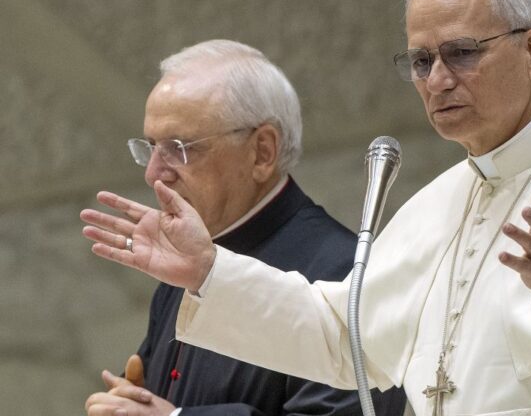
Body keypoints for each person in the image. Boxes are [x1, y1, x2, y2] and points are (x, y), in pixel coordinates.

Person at [82, 0, 531, 416]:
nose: (437, 80)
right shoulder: (434, 206)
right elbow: (345, 342)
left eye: (461, 53)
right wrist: (208, 270)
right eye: (421, 61)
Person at [82, 40, 406, 416]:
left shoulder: (347, 271)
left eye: (178, 147)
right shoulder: (189, 256)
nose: (153, 172)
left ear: (262, 152)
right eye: (151, 147)